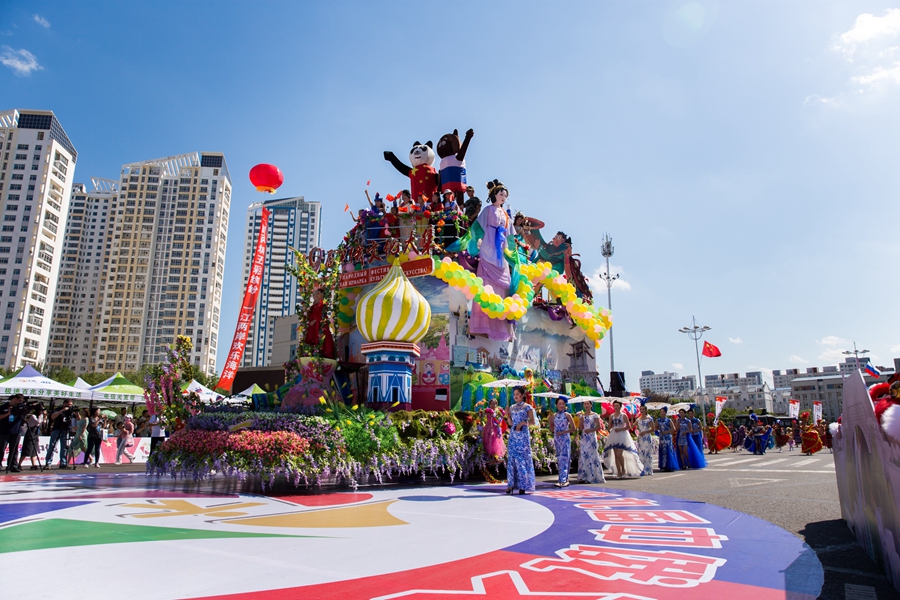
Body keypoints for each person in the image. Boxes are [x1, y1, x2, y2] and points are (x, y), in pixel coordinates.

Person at [470, 180, 514, 341]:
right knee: (485, 284)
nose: (503, 196)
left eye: (505, 195)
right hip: (488, 247)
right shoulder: (488, 210)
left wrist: (512, 254)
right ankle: (482, 325)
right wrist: (478, 241)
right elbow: (477, 228)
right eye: (501, 194)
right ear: (494, 195)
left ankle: (499, 327)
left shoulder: (506, 215)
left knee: (502, 287)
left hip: (500, 252)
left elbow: (510, 236)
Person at [505, 386, 536, 495]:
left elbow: (533, 422)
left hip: (523, 436)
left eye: (518, 394)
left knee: (522, 459)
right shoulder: (512, 407)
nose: (516, 396)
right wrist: (507, 415)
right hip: (514, 435)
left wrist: (523, 423)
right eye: (514, 395)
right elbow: (510, 423)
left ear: (523, 395)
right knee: (512, 459)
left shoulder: (527, 407)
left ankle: (523, 485)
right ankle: (511, 484)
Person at [602, 399, 643, 478]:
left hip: (622, 434)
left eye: (617, 406)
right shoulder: (612, 416)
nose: (616, 407)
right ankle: (619, 472)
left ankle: (623, 469)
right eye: (615, 406)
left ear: (620, 406)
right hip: (614, 434)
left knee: (619, 454)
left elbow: (628, 426)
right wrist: (609, 424)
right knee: (615, 455)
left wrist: (620, 429)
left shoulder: (623, 415)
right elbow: (610, 427)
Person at [578, 400, 606, 483]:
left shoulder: (595, 415)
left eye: (588, 404)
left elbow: (599, 427)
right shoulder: (582, 415)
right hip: (584, 436)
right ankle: (583, 476)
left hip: (591, 436)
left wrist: (590, 430)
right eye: (585, 404)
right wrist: (580, 419)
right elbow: (580, 428)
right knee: (583, 454)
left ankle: (593, 476)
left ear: (591, 405)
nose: (586, 405)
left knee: (592, 454)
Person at [550, 397, 576, 487]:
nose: (561, 405)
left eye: (563, 404)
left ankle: (563, 480)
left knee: (564, 458)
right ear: (556, 405)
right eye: (559, 404)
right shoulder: (554, 415)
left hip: (565, 438)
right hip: (557, 439)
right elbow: (551, 428)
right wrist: (551, 425)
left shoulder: (567, 415)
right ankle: (564, 478)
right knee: (559, 458)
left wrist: (563, 432)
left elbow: (573, 428)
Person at [304, 288, 336, 359]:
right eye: (314, 294)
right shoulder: (313, 305)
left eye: (317, 294)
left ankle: (322, 354)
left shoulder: (322, 303)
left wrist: (314, 321)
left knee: (323, 340)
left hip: (320, 325)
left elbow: (321, 314)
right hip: (313, 326)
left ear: (322, 294)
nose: (316, 296)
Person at [46, 399, 75, 468]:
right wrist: (62, 410)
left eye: (71, 405)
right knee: (52, 446)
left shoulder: (70, 411)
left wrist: (75, 413)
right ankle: (48, 462)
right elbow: (52, 417)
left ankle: (63, 462)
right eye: (69, 405)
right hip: (57, 429)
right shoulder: (58, 409)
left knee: (64, 447)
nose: (70, 406)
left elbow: (78, 418)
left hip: (66, 429)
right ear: (64, 404)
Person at [19, 403, 44, 470]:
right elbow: (38, 422)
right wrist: (41, 415)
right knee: (27, 449)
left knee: (34, 450)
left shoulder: (39, 416)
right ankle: (19, 464)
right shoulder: (33, 416)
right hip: (30, 433)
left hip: (35, 434)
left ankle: (34, 464)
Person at [656, 406, 680, 472]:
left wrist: (667, 432)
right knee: (663, 451)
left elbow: (673, 429)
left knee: (668, 450)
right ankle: (663, 465)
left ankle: (669, 465)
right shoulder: (658, 420)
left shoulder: (668, 420)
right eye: (661, 412)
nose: (662, 413)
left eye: (663, 412)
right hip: (661, 437)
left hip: (667, 437)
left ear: (665, 413)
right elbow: (656, 428)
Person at [635, 403, 656, 476]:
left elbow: (653, 429)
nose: (642, 411)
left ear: (646, 410)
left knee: (647, 453)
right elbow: (632, 426)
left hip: (647, 437)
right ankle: (642, 469)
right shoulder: (638, 419)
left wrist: (645, 432)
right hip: (641, 438)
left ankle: (648, 469)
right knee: (641, 452)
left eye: (643, 409)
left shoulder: (649, 418)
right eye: (641, 409)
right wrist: (631, 418)